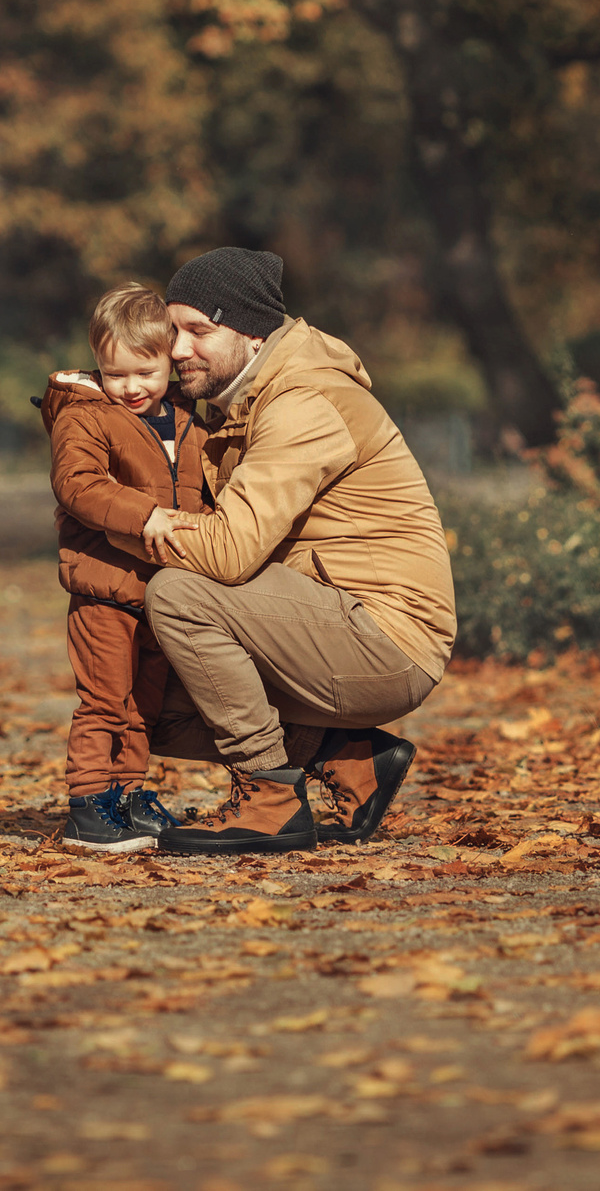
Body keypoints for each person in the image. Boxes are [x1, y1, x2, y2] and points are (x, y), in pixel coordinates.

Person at [130, 248, 455, 856]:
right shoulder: (241, 404)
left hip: (386, 636)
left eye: (199, 331)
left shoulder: (301, 402)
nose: (176, 350)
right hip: (325, 623)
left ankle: (268, 798)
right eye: (173, 331)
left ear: (253, 335)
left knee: (177, 595)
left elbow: (227, 553)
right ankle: (349, 757)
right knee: (136, 692)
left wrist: (127, 521)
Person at [36, 284, 212, 854]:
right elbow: (78, 486)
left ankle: (128, 797)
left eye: (145, 371)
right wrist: (145, 517)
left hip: (162, 591)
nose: (131, 388)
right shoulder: (86, 417)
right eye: (116, 374)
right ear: (99, 366)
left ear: (170, 360)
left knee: (143, 705)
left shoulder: (189, 420)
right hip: (105, 588)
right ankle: (90, 803)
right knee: (104, 700)